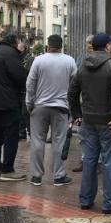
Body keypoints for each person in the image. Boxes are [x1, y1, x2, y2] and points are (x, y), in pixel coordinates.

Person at [68, 33, 111, 214]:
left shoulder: (83, 66)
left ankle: (85, 199)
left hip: (88, 120)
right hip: (108, 120)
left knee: (89, 160)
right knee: (109, 161)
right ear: (107, 46)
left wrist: (76, 114)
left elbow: (72, 91)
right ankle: (110, 203)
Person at [26, 34, 76, 187]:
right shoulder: (70, 61)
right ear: (62, 47)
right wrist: (73, 108)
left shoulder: (38, 60)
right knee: (59, 142)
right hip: (61, 107)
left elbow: (30, 84)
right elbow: (75, 86)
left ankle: (36, 176)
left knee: (37, 141)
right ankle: (59, 176)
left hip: (39, 106)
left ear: (48, 46)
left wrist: (29, 103)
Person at [0, 32, 26, 181]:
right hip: (8, 102)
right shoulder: (10, 54)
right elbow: (20, 77)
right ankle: (8, 170)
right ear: (14, 42)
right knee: (11, 136)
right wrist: (20, 56)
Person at [71, 34, 94, 173]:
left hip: (97, 102)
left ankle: (97, 162)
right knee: (83, 134)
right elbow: (75, 79)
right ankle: (84, 160)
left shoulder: (103, 59)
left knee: (96, 134)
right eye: (88, 44)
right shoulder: (80, 59)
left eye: (92, 43)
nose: (89, 46)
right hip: (83, 102)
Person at [17, 41, 33, 140]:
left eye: (20, 49)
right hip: (19, 90)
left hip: (26, 90)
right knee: (19, 112)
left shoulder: (30, 59)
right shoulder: (16, 58)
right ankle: (21, 132)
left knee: (25, 113)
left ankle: (30, 131)